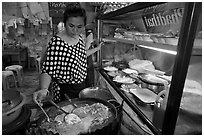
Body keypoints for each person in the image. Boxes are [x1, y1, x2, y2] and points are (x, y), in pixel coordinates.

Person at [33, 4, 102, 104]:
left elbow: (81, 55)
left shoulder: (78, 38)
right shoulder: (57, 43)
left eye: (79, 27)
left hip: (81, 86)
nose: (75, 30)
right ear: (65, 23)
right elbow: (48, 69)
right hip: (67, 91)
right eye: (71, 26)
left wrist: (97, 49)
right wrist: (44, 89)